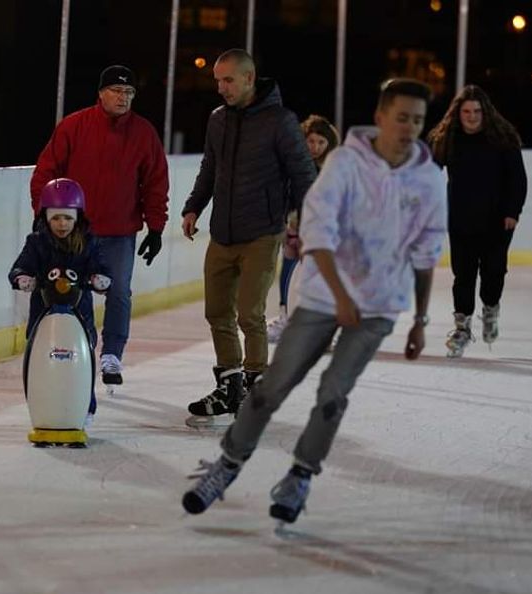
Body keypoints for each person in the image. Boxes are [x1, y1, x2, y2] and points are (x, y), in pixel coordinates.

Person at [181, 78, 446, 523]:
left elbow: (427, 249)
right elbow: (318, 233)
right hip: (326, 296)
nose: (409, 127)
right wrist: (341, 297)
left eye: (418, 120)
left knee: (332, 396)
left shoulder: (428, 179)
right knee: (270, 389)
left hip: (378, 306)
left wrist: (419, 318)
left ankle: (300, 477)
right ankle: (226, 466)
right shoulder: (344, 164)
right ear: (380, 117)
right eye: (402, 117)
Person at [181, 49, 317, 424]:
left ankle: (257, 389)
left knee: (249, 314)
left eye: (227, 80)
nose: (220, 88)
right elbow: (210, 168)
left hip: (262, 230)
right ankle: (229, 387)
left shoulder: (280, 122)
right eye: (217, 80)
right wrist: (194, 207)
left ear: (248, 78)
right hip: (223, 231)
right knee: (217, 313)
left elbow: (304, 174)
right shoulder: (217, 121)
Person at [30, 65, 169, 390]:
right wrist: (44, 213)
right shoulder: (74, 127)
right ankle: (86, 346)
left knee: (119, 290)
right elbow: (46, 172)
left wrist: (156, 226)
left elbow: (155, 182)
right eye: (117, 91)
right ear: (101, 93)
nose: (124, 98)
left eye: (129, 93)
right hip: (77, 232)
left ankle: (113, 354)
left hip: (120, 231)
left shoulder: (143, 133)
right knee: (78, 292)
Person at [426, 85, 527, 357]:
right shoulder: (447, 138)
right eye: (466, 111)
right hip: (460, 220)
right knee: (463, 275)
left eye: (477, 112)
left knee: (494, 272)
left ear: (486, 113)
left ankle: (491, 309)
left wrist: (512, 212)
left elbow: (517, 180)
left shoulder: (503, 139)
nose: (471, 116)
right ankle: (462, 329)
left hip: (497, 222)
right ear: (458, 114)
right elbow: (429, 176)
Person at [9, 178, 110, 430]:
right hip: (43, 312)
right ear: (46, 217)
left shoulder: (89, 243)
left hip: (79, 313)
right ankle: (40, 405)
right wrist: (22, 277)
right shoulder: (37, 242)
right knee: (38, 359)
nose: (62, 224)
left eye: (67, 217)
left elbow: (100, 268)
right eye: (55, 218)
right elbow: (21, 266)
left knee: (83, 359)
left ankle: (86, 406)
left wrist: (101, 280)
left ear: (77, 217)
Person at [266, 114, 340, 344]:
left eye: (321, 142)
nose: (315, 147)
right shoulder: (291, 164)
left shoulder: (333, 169)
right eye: (311, 141)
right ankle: (285, 318)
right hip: (293, 230)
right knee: (288, 273)